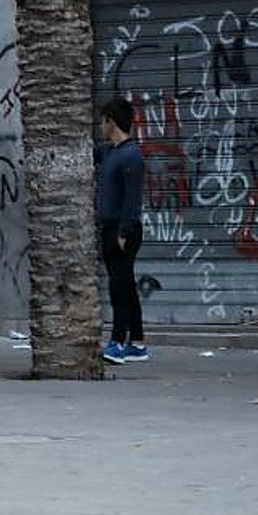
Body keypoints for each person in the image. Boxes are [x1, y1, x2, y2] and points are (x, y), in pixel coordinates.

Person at [97, 97, 147, 365]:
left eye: (103, 121)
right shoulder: (109, 151)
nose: (100, 127)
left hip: (123, 230)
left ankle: (117, 342)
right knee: (126, 285)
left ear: (111, 122)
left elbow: (132, 199)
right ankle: (137, 342)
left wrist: (124, 232)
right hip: (109, 227)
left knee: (119, 287)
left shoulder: (131, 155)